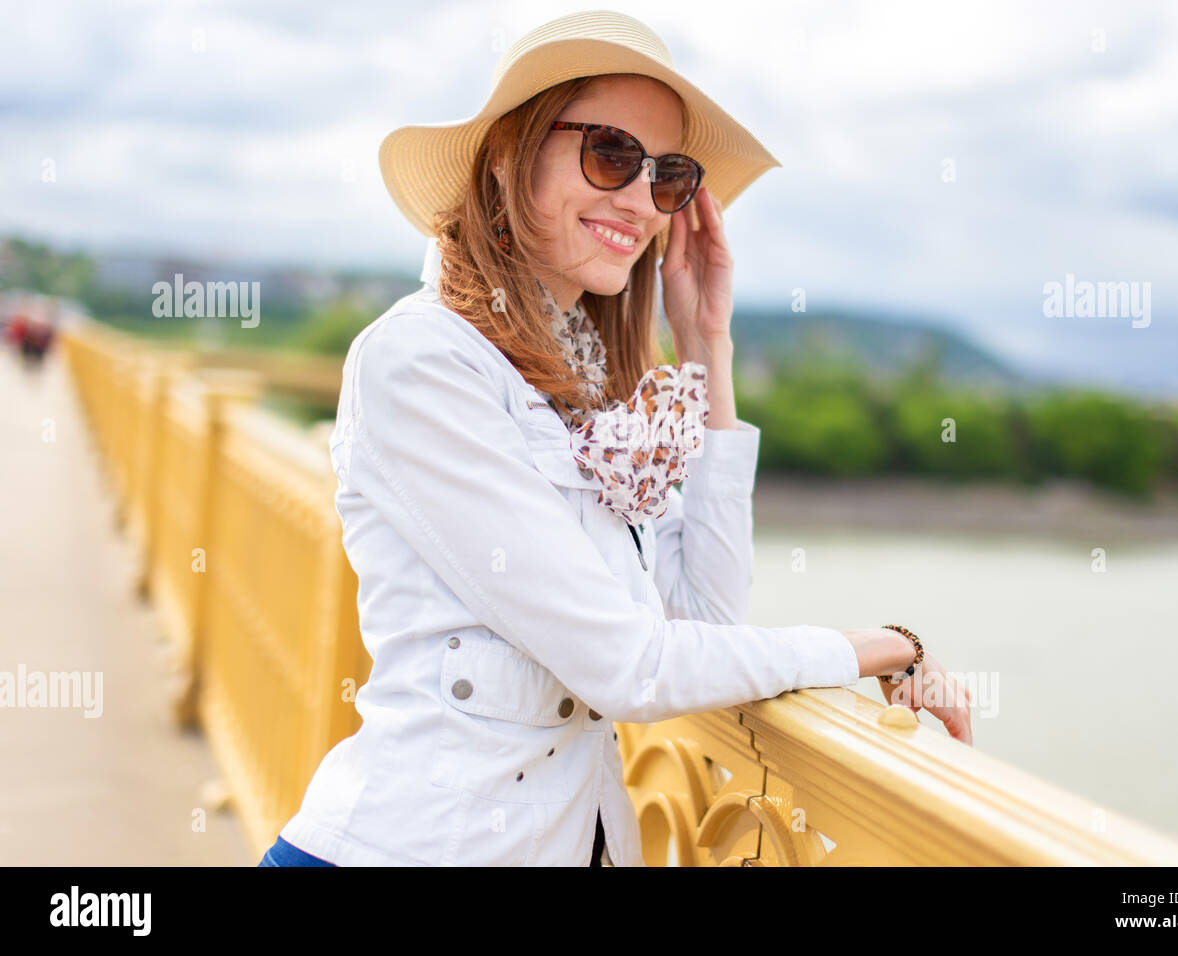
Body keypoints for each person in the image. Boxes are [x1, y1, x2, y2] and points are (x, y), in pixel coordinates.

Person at [261, 10, 971, 868]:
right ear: (506, 157)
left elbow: (700, 617)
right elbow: (627, 664)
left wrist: (707, 346)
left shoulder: (593, 394)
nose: (640, 200)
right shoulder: (421, 363)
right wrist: (865, 646)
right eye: (609, 153)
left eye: (668, 176)